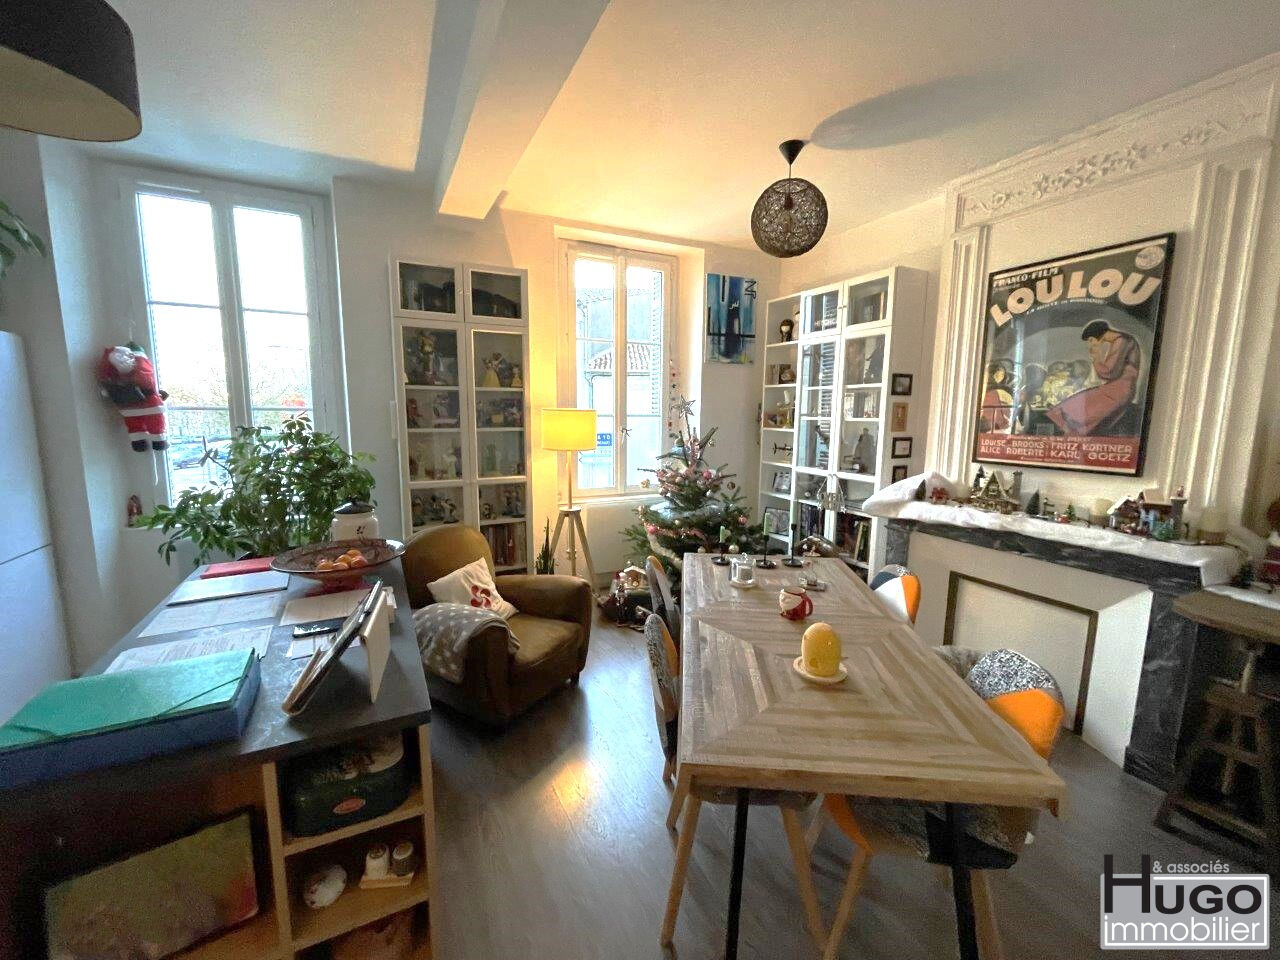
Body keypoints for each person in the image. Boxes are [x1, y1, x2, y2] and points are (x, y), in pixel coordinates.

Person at [1045, 320, 1141, 435]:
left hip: (1118, 391)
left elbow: (1108, 372)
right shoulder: (1123, 340)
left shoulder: (1121, 341)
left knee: (1075, 408)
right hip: (1117, 388)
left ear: (1098, 335)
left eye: (1091, 340)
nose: (1091, 344)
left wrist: (1096, 357)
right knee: (1077, 405)